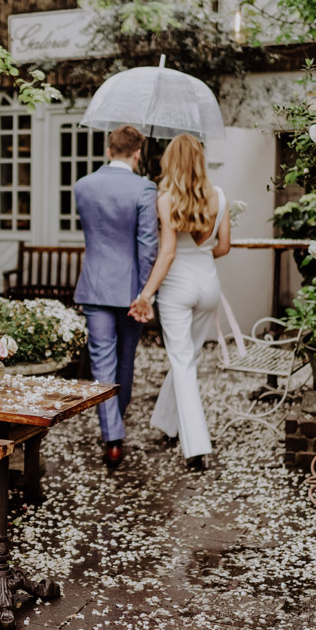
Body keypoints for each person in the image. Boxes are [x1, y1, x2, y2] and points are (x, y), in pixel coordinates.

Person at [128, 133, 231, 471]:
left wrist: (146, 294)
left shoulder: (166, 198)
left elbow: (168, 253)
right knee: (188, 357)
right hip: (208, 286)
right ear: (199, 161)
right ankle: (167, 422)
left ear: (170, 162)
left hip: (177, 288)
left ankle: (196, 447)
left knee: (183, 362)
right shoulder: (220, 197)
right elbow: (223, 247)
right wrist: (201, 251)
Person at [73, 125, 159, 469]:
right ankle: (114, 428)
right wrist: (144, 293)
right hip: (130, 291)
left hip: (94, 287)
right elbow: (147, 246)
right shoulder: (144, 188)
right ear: (137, 154)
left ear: (109, 150)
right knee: (125, 361)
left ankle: (112, 436)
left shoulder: (83, 186)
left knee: (102, 364)